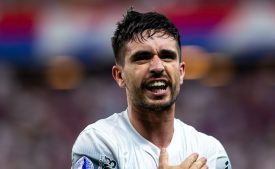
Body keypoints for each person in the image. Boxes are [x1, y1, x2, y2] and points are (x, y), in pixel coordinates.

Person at [71, 8, 232, 169]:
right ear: (120, 76)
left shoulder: (211, 152)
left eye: (167, 56)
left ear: (181, 72)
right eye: (142, 58)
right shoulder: (98, 143)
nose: (157, 67)